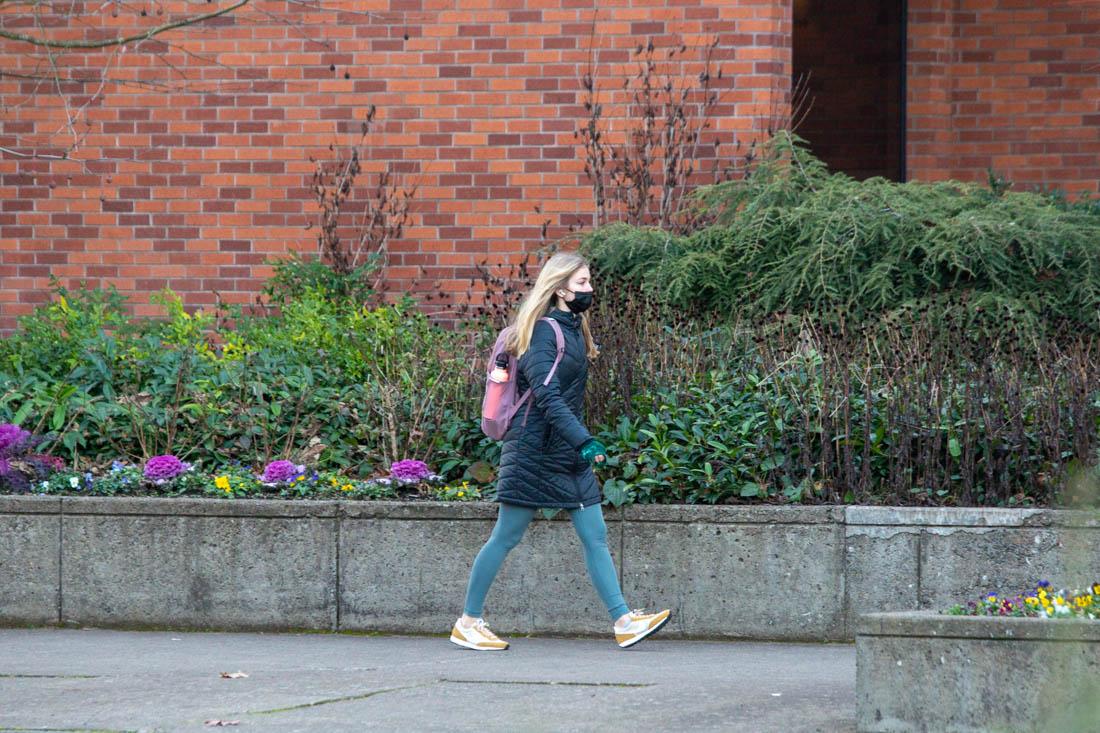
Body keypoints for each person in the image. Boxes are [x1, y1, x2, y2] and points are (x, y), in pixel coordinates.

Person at [450, 251, 670, 651]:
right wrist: (584, 440)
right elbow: (548, 397)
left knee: (596, 535)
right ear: (561, 290)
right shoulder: (544, 332)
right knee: (506, 535)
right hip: (534, 449)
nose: (590, 289)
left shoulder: (573, 329)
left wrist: (577, 443)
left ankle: (623, 621)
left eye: (589, 281)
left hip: (564, 452)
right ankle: (468, 621)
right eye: (583, 283)